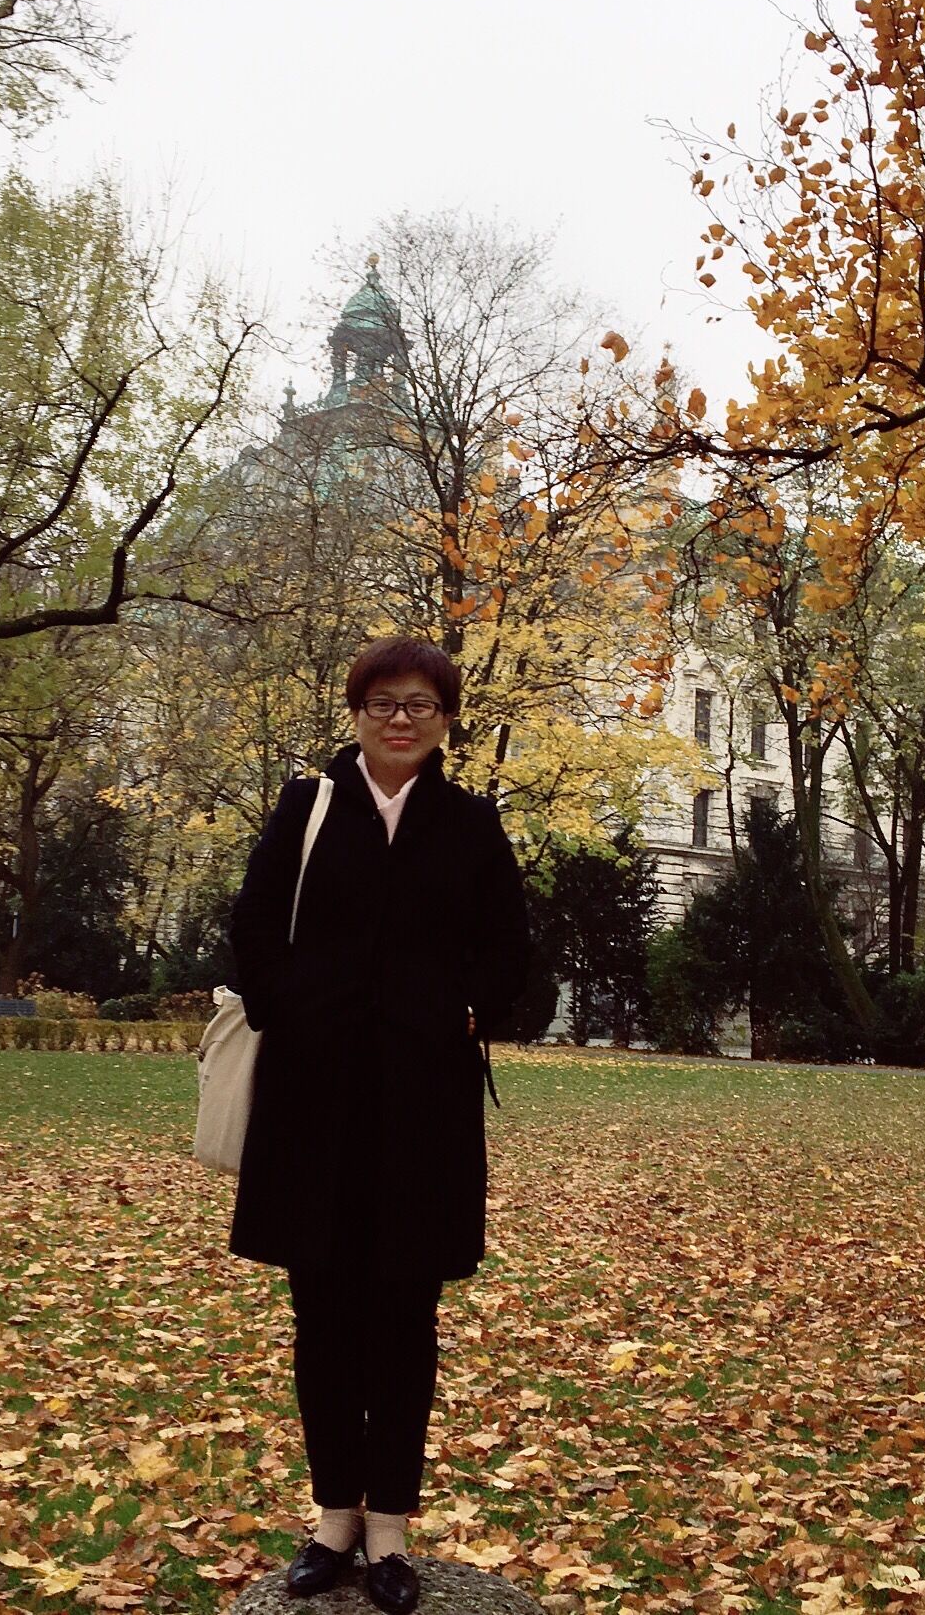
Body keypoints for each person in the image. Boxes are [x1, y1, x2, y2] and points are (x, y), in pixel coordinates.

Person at [229, 637, 530, 1615]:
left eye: (420, 704)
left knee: (405, 1318)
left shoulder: (470, 822)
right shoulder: (307, 806)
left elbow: (512, 950)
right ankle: (334, 1519)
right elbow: (251, 926)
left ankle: (391, 1524)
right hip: (311, 1106)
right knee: (322, 1316)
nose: (401, 719)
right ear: (357, 711)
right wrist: (292, 1007)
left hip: (423, 1112)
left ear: (446, 719)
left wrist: (467, 1009)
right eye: (383, 702)